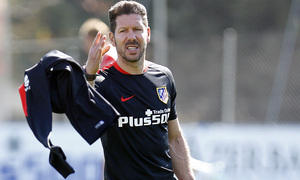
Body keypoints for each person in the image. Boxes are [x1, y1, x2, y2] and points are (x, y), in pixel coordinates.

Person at [84, 1, 195, 179]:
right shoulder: (102, 83)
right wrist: (89, 73)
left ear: (147, 34)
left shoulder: (164, 77)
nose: (131, 36)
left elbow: (174, 138)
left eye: (137, 29)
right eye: (123, 31)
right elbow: (84, 122)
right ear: (112, 39)